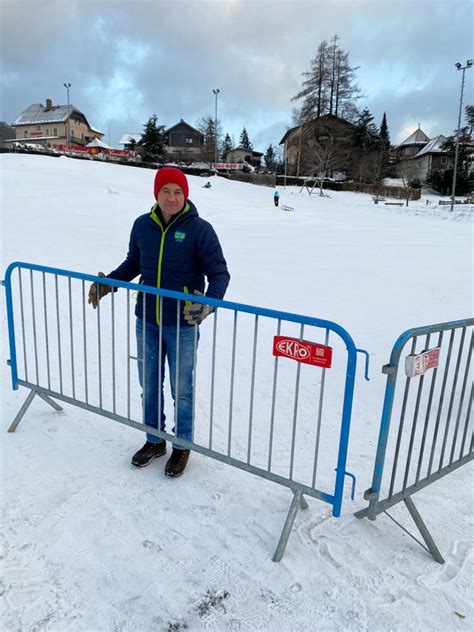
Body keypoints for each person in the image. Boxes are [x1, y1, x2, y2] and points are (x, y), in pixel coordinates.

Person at [88, 167, 230, 477]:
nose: (172, 197)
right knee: (149, 386)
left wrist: (207, 304)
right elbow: (134, 264)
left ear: (186, 195)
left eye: (178, 191)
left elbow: (219, 274)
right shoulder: (142, 226)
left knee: (182, 388)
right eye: (166, 190)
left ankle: (181, 445)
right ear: (156, 194)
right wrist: (108, 283)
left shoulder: (200, 230)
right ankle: (154, 440)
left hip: (182, 324)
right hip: (147, 321)